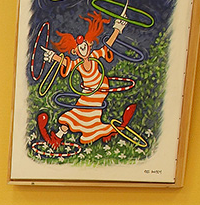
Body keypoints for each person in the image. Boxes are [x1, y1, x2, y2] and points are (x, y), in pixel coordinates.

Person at [36, 10, 136, 149]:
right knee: (74, 115)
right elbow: (66, 63)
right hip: (87, 94)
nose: (82, 49)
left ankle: (111, 131)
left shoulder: (95, 56)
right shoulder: (77, 64)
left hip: (99, 91)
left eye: (84, 46)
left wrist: (117, 29)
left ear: (89, 45)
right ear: (75, 52)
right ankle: (57, 138)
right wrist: (53, 56)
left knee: (91, 118)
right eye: (79, 48)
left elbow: (107, 46)